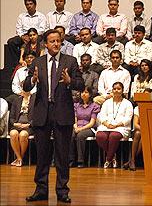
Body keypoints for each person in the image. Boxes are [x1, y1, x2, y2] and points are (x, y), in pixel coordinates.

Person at [24, 29, 84, 203]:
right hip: (43, 112)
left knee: (62, 155)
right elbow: (26, 86)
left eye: (58, 41)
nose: (56, 44)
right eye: (52, 41)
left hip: (62, 112)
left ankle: (62, 191)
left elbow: (80, 85)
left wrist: (70, 82)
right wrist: (33, 80)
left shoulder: (70, 61)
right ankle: (41, 190)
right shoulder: (37, 61)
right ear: (45, 44)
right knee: (42, 155)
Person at [96, 82, 133, 169]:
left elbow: (128, 118)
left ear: (122, 91)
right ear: (112, 90)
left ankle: (108, 159)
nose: (116, 90)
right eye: (114, 89)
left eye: (119, 89)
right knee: (100, 136)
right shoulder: (107, 102)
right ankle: (112, 156)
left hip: (121, 127)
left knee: (113, 136)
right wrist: (106, 124)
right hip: (106, 126)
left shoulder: (127, 103)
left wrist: (116, 125)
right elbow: (101, 115)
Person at [7, 0, 46, 70]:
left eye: (31, 4)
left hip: (36, 35)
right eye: (27, 4)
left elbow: (42, 29)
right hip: (24, 36)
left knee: (40, 39)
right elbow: (18, 28)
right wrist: (22, 36)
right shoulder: (21, 16)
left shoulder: (41, 16)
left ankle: (37, 63)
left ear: (35, 5)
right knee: (11, 41)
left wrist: (32, 35)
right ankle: (17, 64)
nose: (29, 6)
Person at [69, 87, 100, 168]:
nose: (83, 94)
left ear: (90, 94)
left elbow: (92, 122)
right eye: (82, 92)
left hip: (89, 128)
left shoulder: (94, 106)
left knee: (80, 135)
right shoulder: (76, 105)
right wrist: (76, 127)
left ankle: (80, 161)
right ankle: (71, 160)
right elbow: (74, 118)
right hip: (77, 126)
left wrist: (81, 129)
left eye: (86, 92)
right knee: (70, 134)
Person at [9, 91, 34, 167]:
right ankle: (19, 158)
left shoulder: (34, 100)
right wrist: (14, 123)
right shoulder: (17, 100)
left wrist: (29, 124)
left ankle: (19, 159)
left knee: (23, 135)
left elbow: (37, 115)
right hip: (17, 124)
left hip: (29, 126)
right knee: (13, 134)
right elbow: (12, 116)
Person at [123, 104, 141, 171]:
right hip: (139, 129)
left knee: (143, 137)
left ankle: (131, 161)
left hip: (150, 131)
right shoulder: (137, 108)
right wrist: (145, 130)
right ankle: (132, 160)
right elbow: (136, 124)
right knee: (138, 133)